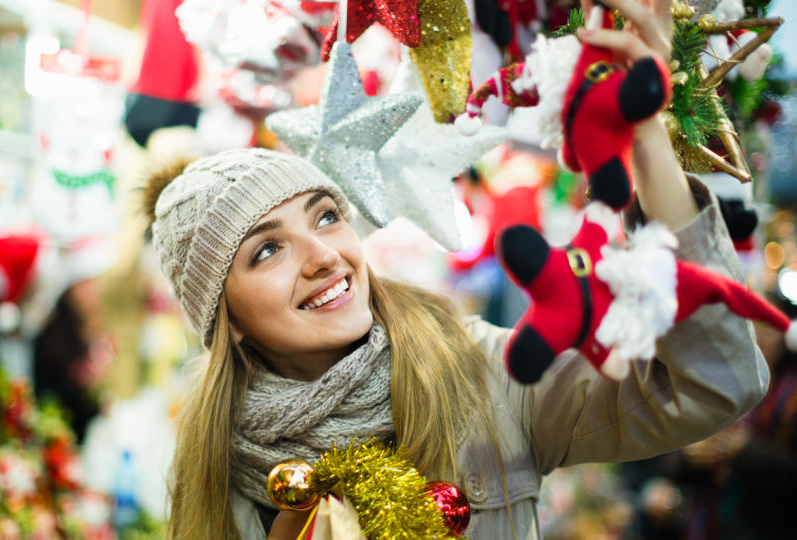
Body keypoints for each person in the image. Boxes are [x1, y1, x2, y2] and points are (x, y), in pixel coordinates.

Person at [148, 1, 768, 538]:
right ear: (222, 316)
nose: (323, 256)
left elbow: (716, 385)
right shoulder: (212, 462)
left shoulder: (486, 376)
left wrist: (646, 144)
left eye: (327, 216)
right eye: (266, 250)